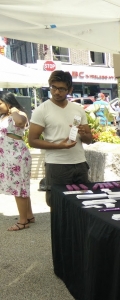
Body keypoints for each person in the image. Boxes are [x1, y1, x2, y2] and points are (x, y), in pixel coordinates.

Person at [28, 70, 92, 207]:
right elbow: (32, 140)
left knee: (83, 204)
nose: (57, 92)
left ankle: (78, 229)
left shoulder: (78, 109)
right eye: (53, 87)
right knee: (58, 205)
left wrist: (84, 133)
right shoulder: (42, 110)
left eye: (62, 89)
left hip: (80, 163)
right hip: (57, 165)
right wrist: (59, 146)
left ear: (70, 89)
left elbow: (88, 139)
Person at [0, 92, 34, 231]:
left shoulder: (20, 114)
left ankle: (23, 221)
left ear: (8, 102)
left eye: (0, 103)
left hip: (17, 155)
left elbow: (20, 122)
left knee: (19, 188)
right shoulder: (3, 117)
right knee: (21, 186)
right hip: (7, 156)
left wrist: (13, 109)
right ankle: (29, 215)